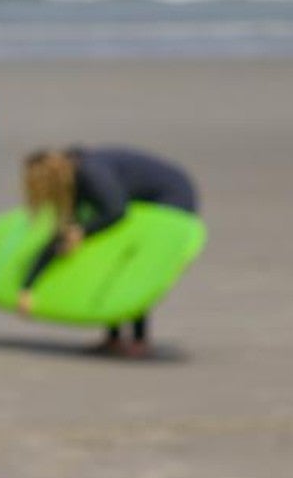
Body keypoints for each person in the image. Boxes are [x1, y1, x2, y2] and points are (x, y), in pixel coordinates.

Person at [17, 146, 199, 358]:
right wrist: (28, 287)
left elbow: (116, 211)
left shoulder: (91, 174)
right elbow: (61, 234)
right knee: (107, 256)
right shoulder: (72, 179)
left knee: (131, 267)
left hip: (172, 197)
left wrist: (83, 231)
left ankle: (140, 341)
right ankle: (114, 338)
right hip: (135, 200)